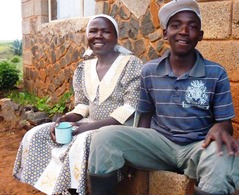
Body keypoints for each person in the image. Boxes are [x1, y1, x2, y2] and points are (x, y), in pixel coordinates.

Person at [87, 0, 239, 194]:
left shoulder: (216, 73)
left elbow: (225, 123)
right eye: (176, 25)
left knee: (224, 156)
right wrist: (138, 145)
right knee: (104, 137)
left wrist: (221, 127)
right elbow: (145, 116)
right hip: (159, 145)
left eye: (192, 27)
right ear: (164, 33)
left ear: (200, 36)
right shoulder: (150, 71)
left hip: (198, 147)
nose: (184, 31)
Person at [13, 14, 143, 195]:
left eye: (106, 31)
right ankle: (55, 187)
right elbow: (82, 105)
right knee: (36, 134)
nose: (99, 35)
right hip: (89, 123)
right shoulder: (84, 68)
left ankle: (75, 190)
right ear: (87, 36)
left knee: (81, 141)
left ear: (115, 37)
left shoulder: (131, 64)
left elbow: (129, 108)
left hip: (117, 128)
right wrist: (65, 118)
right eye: (93, 31)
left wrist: (82, 129)